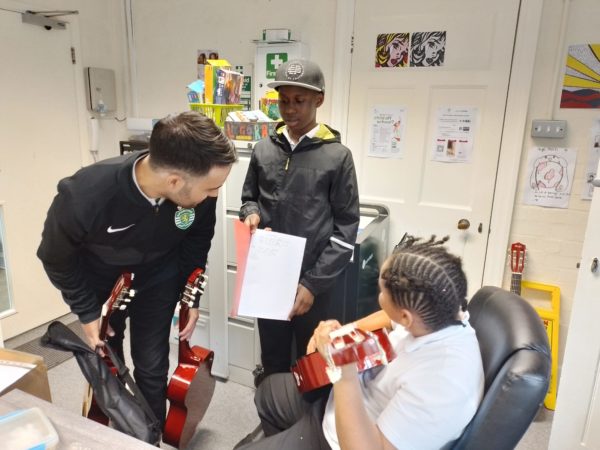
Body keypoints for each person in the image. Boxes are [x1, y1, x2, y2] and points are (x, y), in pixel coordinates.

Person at [37, 111, 237, 425]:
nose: (214, 195)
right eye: (210, 188)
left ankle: (150, 437)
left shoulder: (198, 195)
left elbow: (197, 241)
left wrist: (190, 297)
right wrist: (87, 312)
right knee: (108, 364)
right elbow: (55, 257)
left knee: (152, 364)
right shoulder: (85, 195)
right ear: (174, 180)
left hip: (159, 277)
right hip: (103, 285)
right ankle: (115, 433)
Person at [236, 236, 484, 450]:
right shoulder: (444, 313)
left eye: (381, 292)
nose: (379, 297)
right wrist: (344, 331)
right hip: (342, 400)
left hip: (339, 440)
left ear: (406, 316)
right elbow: (389, 317)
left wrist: (342, 368)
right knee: (268, 393)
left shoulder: (442, 385)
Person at [239, 59, 360, 384]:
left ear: (318, 99)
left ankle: (310, 430)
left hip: (315, 283)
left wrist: (312, 284)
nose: (290, 109)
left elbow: (346, 229)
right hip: (270, 277)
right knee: (274, 360)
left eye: (299, 101)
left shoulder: (337, 157)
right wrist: (250, 213)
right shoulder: (264, 149)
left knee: (314, 363)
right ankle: (273, 423)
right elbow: (248, 197)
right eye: (284, 101)